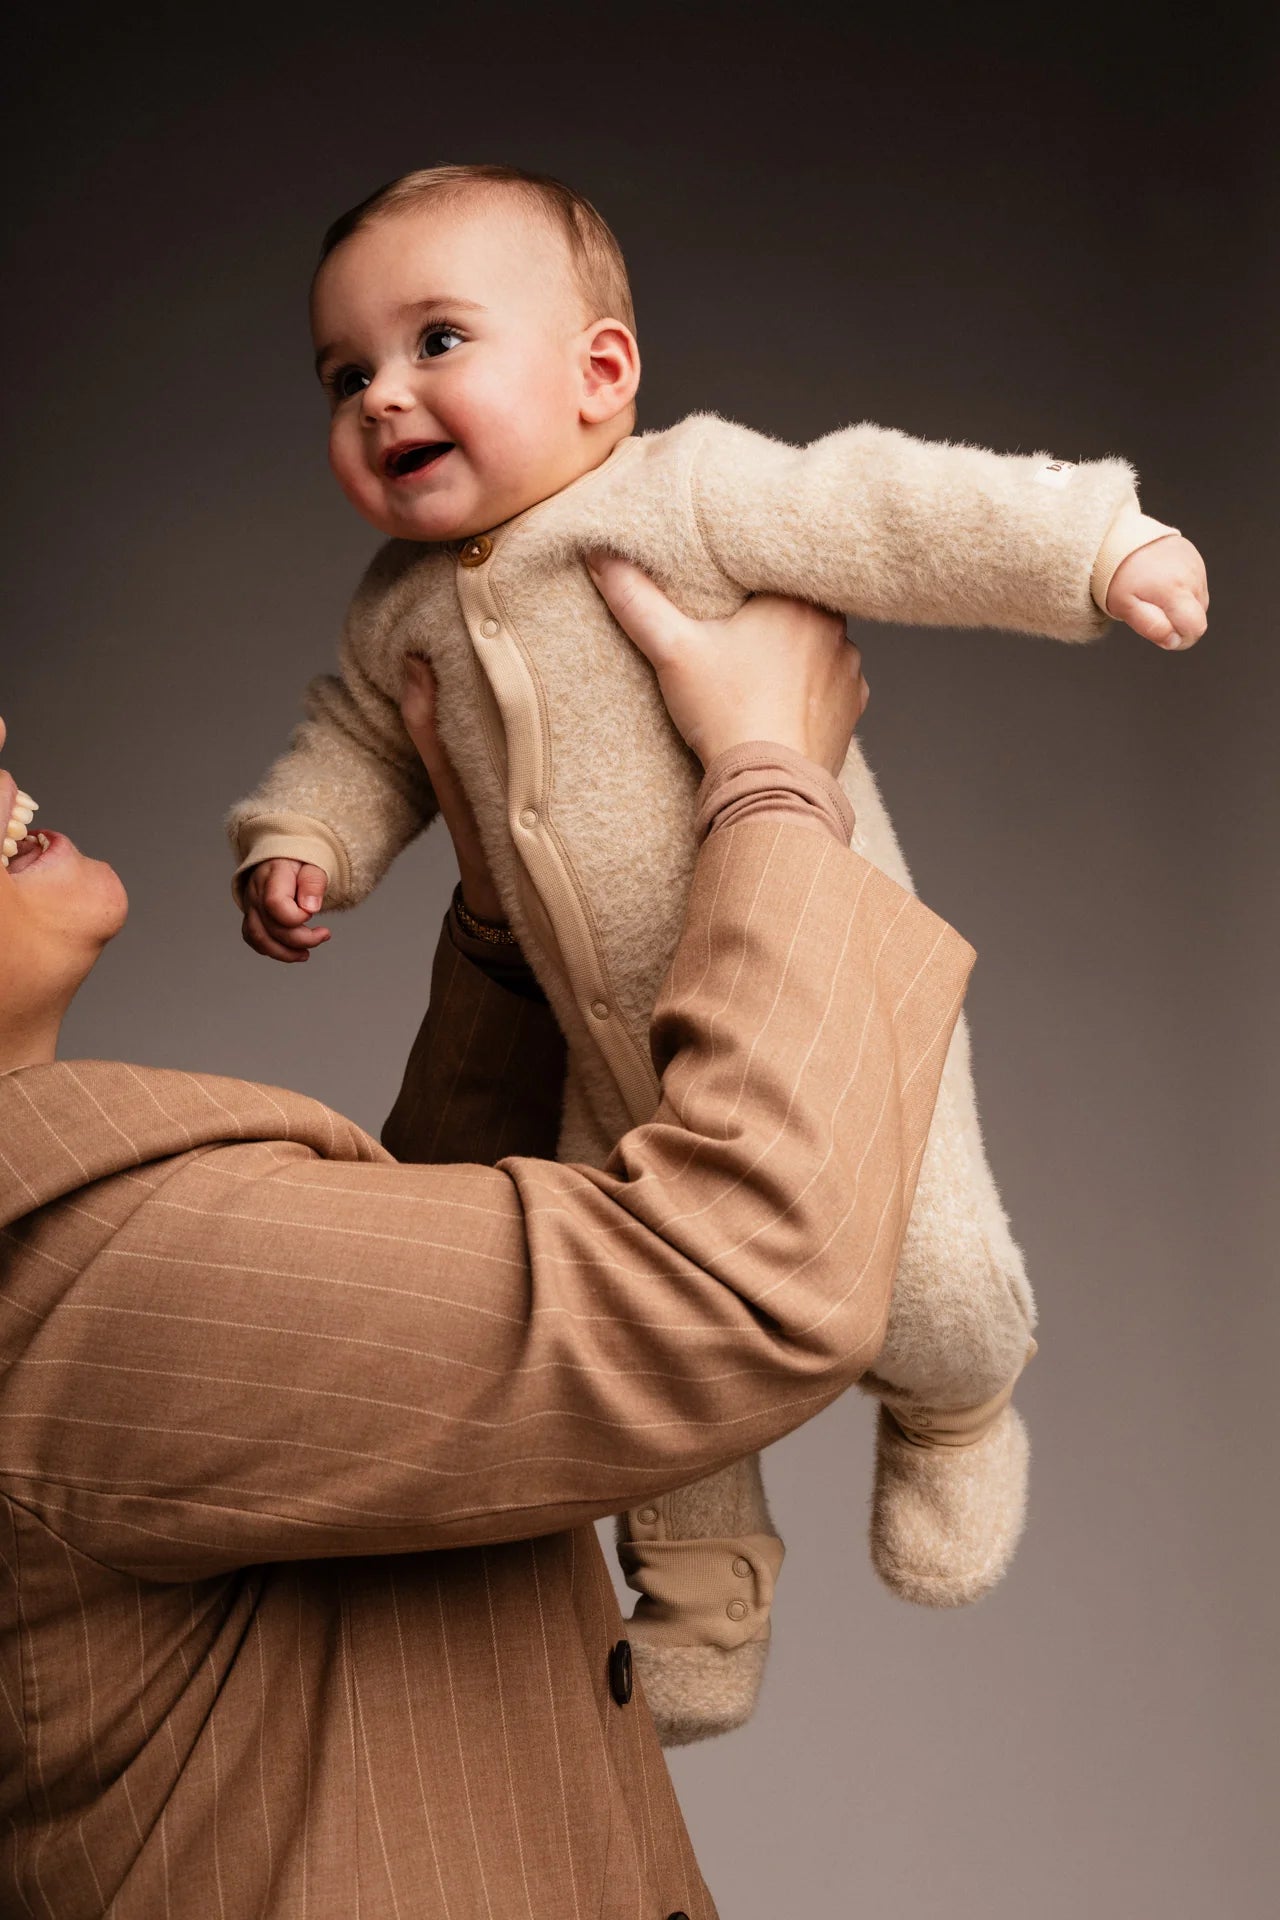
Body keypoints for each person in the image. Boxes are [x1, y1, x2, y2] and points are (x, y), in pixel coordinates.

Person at [225, 164, 1210, 1739]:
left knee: (931, 1277)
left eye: (435, 343)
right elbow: (356, 743)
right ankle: (701, 1600)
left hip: (824, 1010)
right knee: (638, 1350)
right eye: (346, 374)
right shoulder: (392, 614)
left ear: (600, 375)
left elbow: (884, 506)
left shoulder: (682, 495)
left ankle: (960, 1410)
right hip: (609, 1055)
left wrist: (1095, 547)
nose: (381, 397)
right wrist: (302, 839)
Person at [1, 574, 971, 1917]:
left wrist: (513, 945)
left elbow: (427, 1385)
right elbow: (750, 1284)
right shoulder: (70, 1280)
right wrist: (774, 782)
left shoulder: (68, 1274)